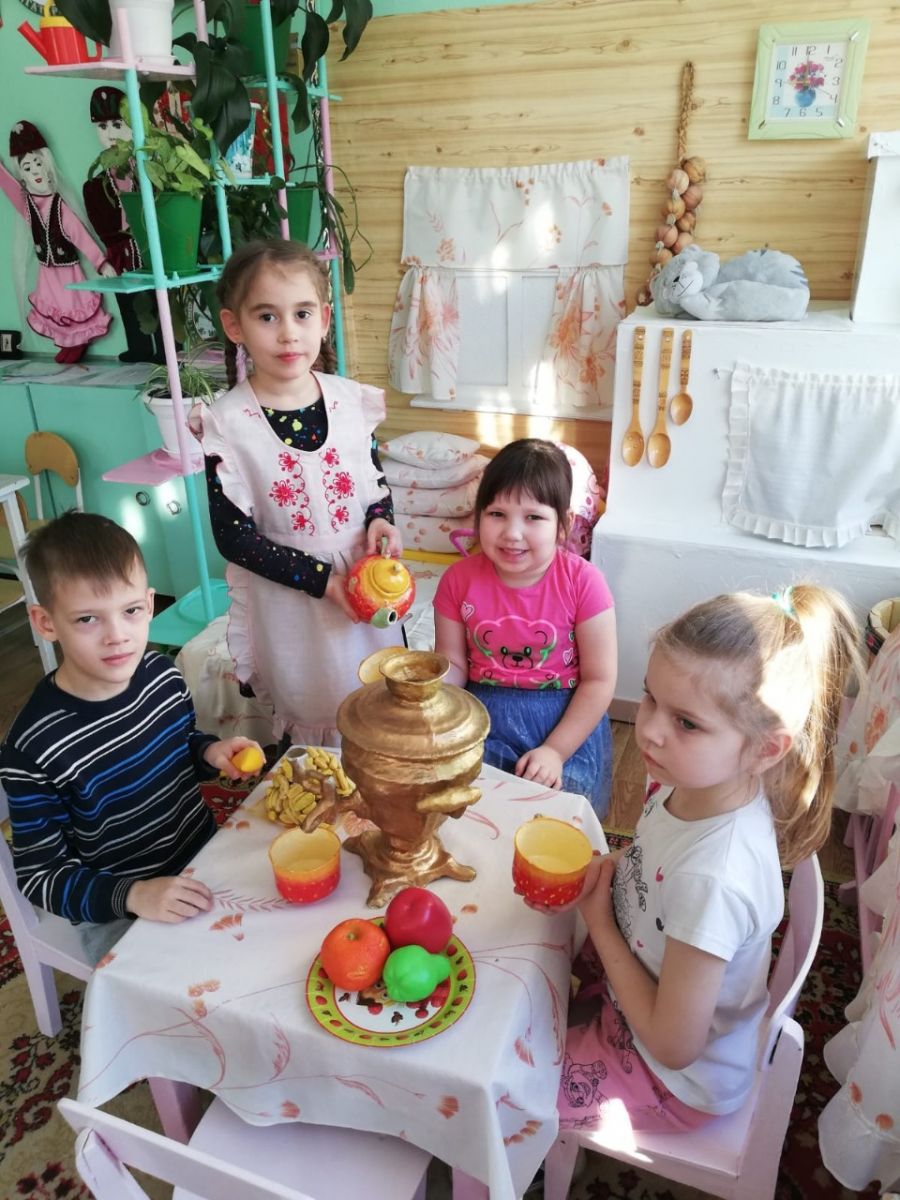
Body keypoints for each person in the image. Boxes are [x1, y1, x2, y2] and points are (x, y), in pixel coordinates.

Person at [552, 583, 862, 1134]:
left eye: (686, 722)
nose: (649, 730)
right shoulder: (689, 784)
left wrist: (599, 924)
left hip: (672, 1081)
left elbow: (673, 1045)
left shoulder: (713, 878)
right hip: (641, 975)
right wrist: (615, 870)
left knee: (507, 1081)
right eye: (650, 697)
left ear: (766, 749)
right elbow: (657, 862)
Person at [0, 512, 264, 964]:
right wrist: (134, 895)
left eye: (131, 611)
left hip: (201, 857)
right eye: (87, 618)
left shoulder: (163, 676)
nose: (117, 636)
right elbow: (42, 876)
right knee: (193, 991)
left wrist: (210, 751)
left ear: (149, 602)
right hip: (118, 909)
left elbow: (181, 743)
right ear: (45, 623)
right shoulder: (33, 747)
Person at [194, 238, 404, 746]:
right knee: (317, 714)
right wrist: (321, 581)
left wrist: (382, 518)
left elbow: (372, 483)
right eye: (267, 316)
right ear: (234, 326)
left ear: (324, 319)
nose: (288, 332)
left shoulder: (351, 402)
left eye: (302, 313)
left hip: (365, 587)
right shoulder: (227, 424)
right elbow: (234, 538)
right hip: (290, 604)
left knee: (378, 702)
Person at [433, 438, 617, 816]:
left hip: (564, 717)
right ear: (478, 516)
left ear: (563, 525)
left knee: (559, 814)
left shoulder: (585, 582)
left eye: (533, 517)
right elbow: (452, 664)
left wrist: (556, 751)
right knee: (473, 808)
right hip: (482, 713)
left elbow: (599, 679)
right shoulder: (456, 580)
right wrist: (430, 708)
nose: (512, 533)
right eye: (497, 514)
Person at [0, 120, 114, 363]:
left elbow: (80, 235)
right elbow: (10, 189)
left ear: (48, 166)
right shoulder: (28, 206)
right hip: (47, 272)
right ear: (22, 175)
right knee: (55, 308)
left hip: (68, 270)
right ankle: (67, 343)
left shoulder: (59, 205)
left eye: (38, 164)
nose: (35, 171)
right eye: (27, 167)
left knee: (73, 305)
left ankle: (78, 343)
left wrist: (101, 263)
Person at [82, 86, 162, 363]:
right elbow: (100, 223)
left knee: (157, 298)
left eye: (117, 124)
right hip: (121, 252)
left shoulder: (149, 172)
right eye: (102, 126)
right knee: (127, 300)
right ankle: (139, 346)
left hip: (149, 248)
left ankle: (166, 346)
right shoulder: (96, 185)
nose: (110, 133)